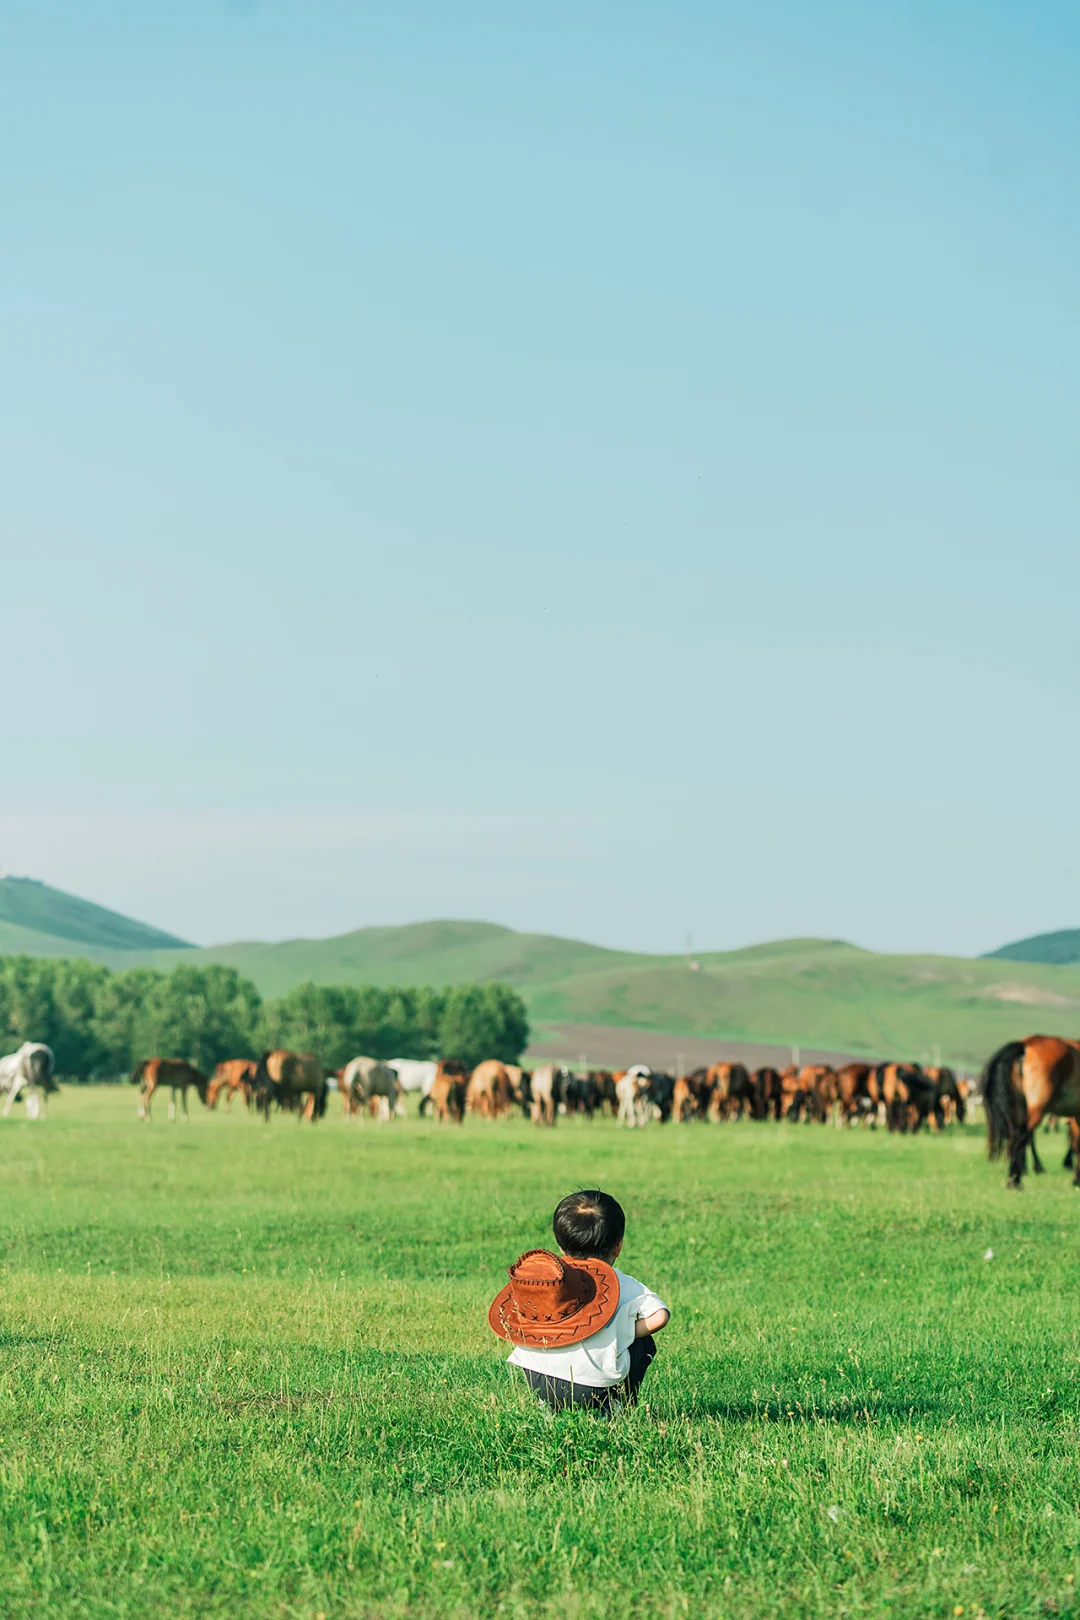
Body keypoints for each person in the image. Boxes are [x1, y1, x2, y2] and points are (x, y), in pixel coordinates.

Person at [487, 1188, 670, 1413]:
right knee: (643, 1343)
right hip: (594, 1388)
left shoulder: (548, 1282)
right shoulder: (622, 1283)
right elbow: (660, 1317)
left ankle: (548, 1409)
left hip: (539, 1381)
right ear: (618, 1246)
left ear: (561, 1247)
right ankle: (614, 1409)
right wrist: (621, 1333)